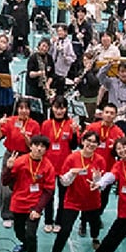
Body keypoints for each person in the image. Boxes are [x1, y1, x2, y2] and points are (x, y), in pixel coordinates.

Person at [48, 130, 106, 252]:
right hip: (73, 200)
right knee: (65, 230)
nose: (91, 144)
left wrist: (97, 180)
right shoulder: (72, 158)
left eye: (94, 142)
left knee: (95, 224)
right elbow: (63, 182)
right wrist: (72, 173)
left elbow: (101, 184)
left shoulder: (100, 160)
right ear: (83, 141)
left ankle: (95, 238)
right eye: (89, 140)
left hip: (92, 200)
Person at [2, 135, 56, 252]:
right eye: (36, 145)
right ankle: (24, 243)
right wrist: (8, 168)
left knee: (31, 235)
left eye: (43, 146)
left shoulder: (48, 166)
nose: (39, 149)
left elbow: (48, 191)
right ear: (30, 146)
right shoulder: (20, 162)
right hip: (18, 203)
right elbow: (5, 182)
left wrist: (38, 209)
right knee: (19, 231)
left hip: (34, 205)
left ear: (46, 150)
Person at [0, 99, 42, 228]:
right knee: (6, 188)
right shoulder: (10, 121)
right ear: (17, 109)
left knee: (25, 187)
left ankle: (24, 215)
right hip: (11, 155)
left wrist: (26, 137)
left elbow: (34, 146)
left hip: (27, 156)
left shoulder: (34, 125)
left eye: (26, 108)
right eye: (21, 108)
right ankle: (6, 215)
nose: (24, 111)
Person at [39, 96, 80, 233]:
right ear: (52, 108)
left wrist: (74, 133)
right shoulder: (46, 124)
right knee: (48, 195)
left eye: (62, 108)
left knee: (63, 196)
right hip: (48, 166)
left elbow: (74, 146)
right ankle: (48, 221)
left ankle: (59, 221)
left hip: (64, 166)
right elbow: (42, 145)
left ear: (66, 109)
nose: (59, 111)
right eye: (57, 107)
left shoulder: (71, 124)